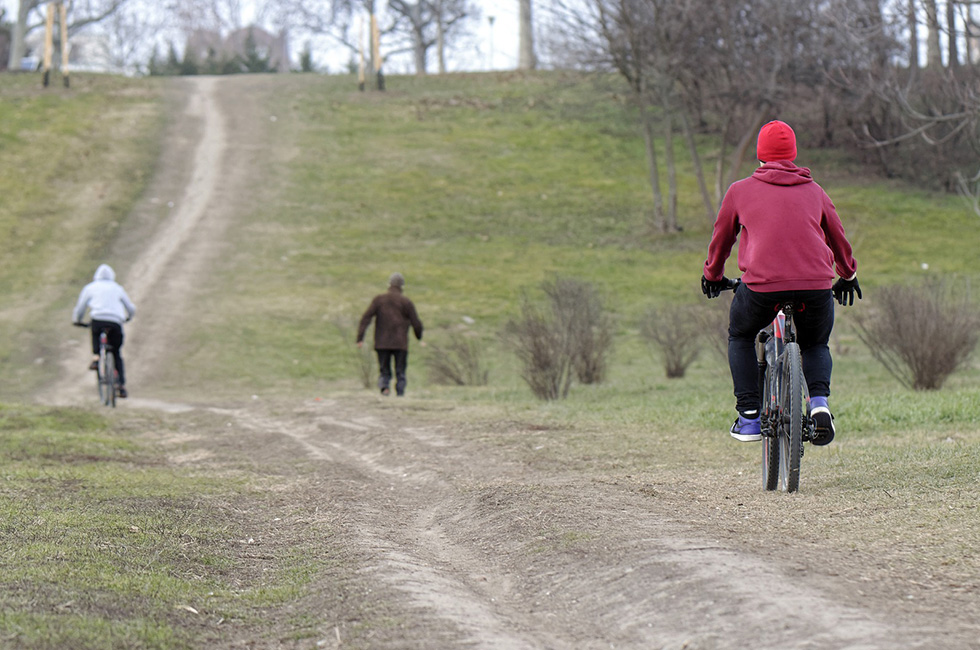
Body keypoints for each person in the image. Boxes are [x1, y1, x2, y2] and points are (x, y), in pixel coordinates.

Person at [701, 120, 861, 446]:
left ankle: (748, 418)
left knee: (741, 335)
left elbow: (721, 241)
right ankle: (818, 405)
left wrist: (712, 276)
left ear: (759, 155)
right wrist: (848, 274)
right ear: (793, 155)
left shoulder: (739, 191)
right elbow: (838, 238)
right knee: (815, 343)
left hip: (762, 288)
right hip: (816, 286)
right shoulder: (815, 192)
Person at [72, 264, 136, 398]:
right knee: (116, 352)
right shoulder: (117, 288)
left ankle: (96, 357)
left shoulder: (90, 287)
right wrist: (128, 317)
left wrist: (77, 320)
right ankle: (121, 385)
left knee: (95, 333)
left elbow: (81, 307)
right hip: (115, 322)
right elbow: (130, 307)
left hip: (98, 319)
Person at [356, 272, 424, 396]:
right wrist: (419, 336)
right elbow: (416, 322)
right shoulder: (406, 302)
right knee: (400, 370)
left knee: (384, 369)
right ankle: (400, 392)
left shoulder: (379, 300)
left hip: (382, 342)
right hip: (400, 343)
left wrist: (360, 338)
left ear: (389, 284)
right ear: (402, 286)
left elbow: (366, 318)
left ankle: (385, 387)